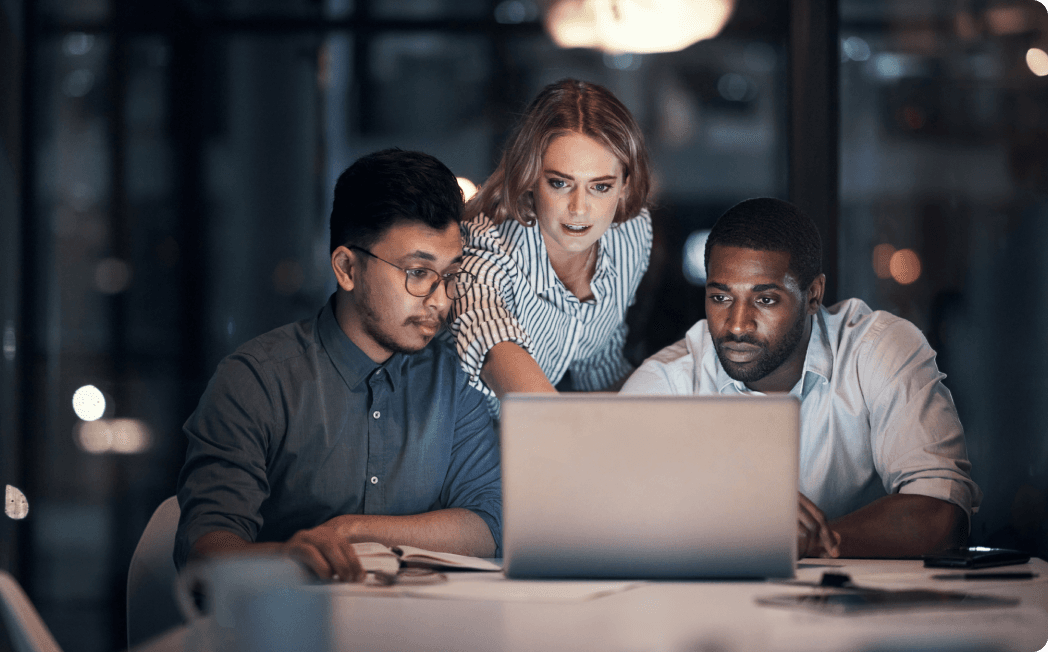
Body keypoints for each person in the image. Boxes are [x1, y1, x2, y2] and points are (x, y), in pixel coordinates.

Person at [174, 149, 501, 581]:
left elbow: (488, 523)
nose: (440, 300)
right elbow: (206, 551)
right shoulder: (257, 381)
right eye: (418, 273)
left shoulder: (456, 376)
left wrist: (354, 531)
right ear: (347, 268)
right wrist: (290, 558)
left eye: (451, 275)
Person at [621, 198, 981, 559]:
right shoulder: (666, 384)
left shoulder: (876, 351)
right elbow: (611, 521)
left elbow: (942, 516)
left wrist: (800, 542)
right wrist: (738, 531)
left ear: (813, 296)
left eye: (765, 300)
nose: (736, 324)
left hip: (865, 609)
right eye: (720, 297)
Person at [448, 78, 653, 417]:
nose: (579, 208)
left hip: (541, 435)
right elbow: (491, 341)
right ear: (531, 176)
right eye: (560, 183)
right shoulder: (488, 248)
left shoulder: (629, 234)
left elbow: (598, 361)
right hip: (458, 442)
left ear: (625, 186)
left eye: (600, 187)